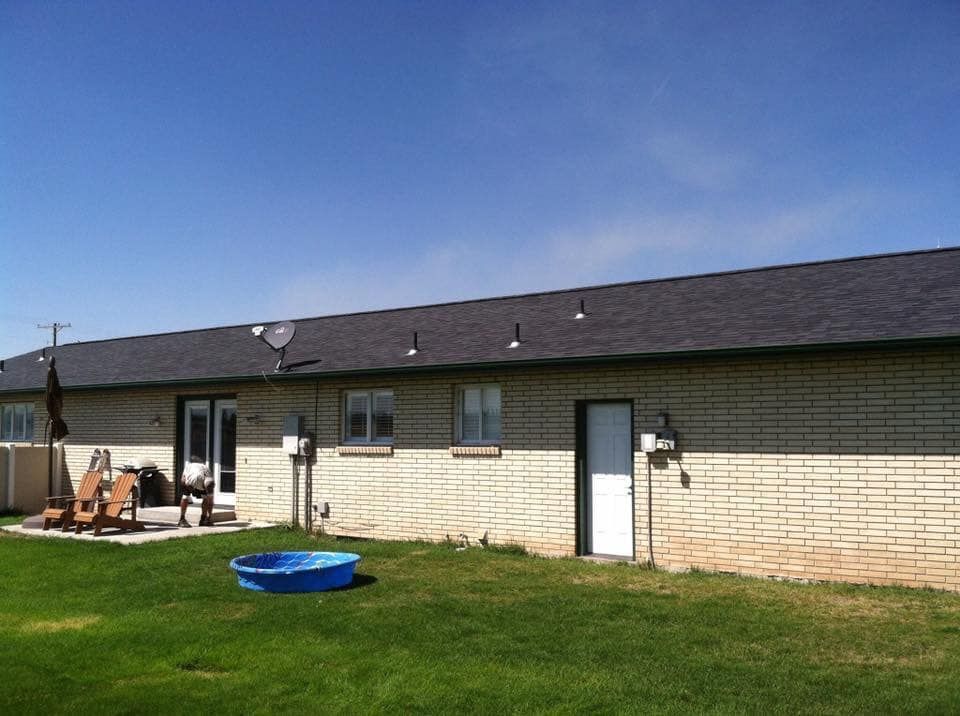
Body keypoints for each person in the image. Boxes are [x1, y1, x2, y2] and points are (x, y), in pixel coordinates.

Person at [179, 456, 214, 527]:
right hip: (202, 482)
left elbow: (183, 479)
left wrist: (187, 490)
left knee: (185, 497)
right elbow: (210, 501)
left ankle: (182, 519)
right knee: (207, 498)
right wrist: (209, 517)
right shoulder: (205, 468)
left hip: (189, 482)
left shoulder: (189, 466)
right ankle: (204, 520)